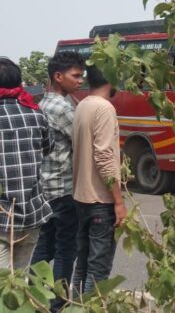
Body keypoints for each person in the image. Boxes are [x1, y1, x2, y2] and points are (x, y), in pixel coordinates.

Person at [30, 52, 84, 309]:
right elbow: (82, 139)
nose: (80, 81)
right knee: (65, 250)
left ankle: (32, 297)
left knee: (44, 248)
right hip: (63, 188)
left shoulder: (41, 104)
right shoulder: (62, 108)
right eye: (75, 76)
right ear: (58, 76)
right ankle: (58, 304)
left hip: (44, 187)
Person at [70, 65, 125, 296]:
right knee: (98, 272)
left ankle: (77, 308)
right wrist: (118, 201)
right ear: (111, 79)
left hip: (81, 198)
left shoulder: (82, 104)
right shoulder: (104, 108)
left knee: (82, 266)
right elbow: (104, 157)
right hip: (100, 201)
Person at [0, 57, 52, 270]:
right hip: (30, 214)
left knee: (4, 289)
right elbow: (49, 147)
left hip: (2, 218)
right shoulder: (35, 113)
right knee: (18, 286)